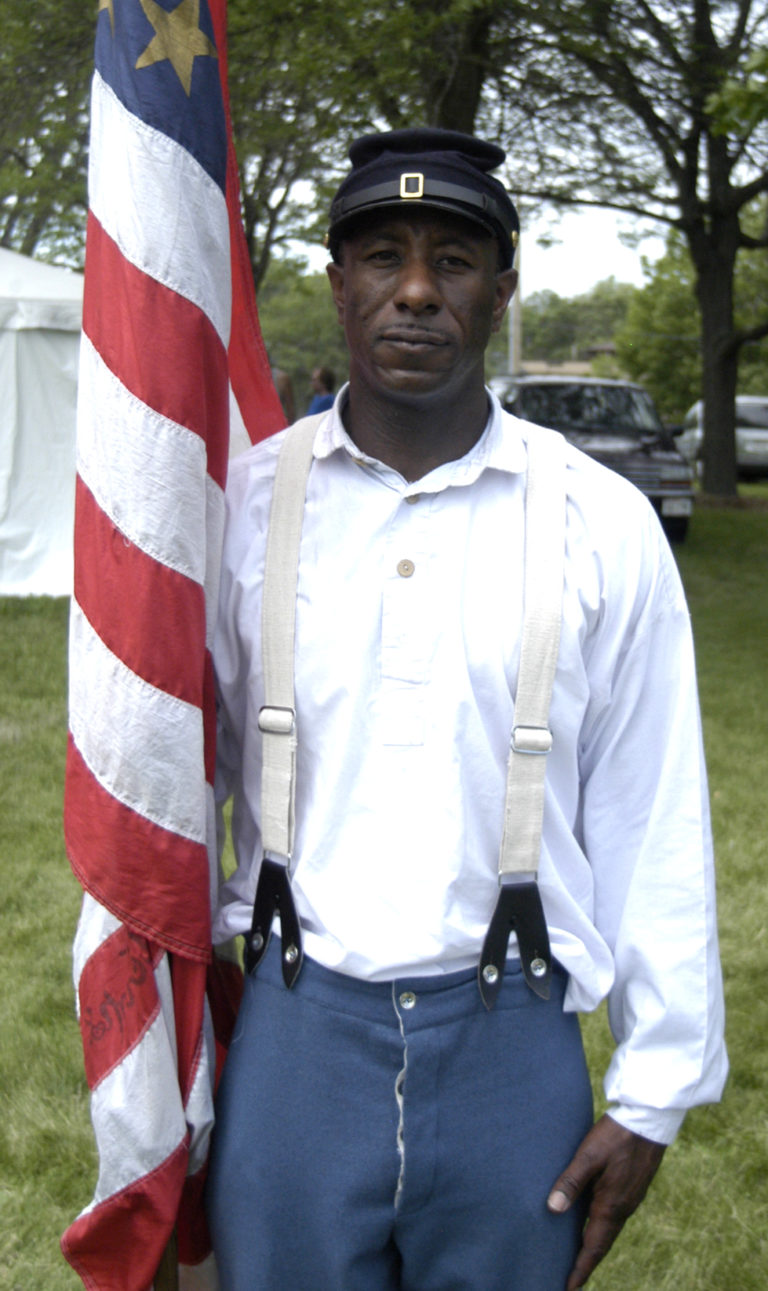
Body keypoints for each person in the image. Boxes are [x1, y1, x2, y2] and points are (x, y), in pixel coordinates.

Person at [206, 128, 727, 1291]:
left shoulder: (600, 519)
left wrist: (655, 1092)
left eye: (453, 258)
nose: (415, 290)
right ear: (336, 282)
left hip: (513, 1048)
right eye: (382, 254)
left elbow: (654, 814)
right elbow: (183, 785)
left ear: (502, 288)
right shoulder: (241, 509)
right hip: (298, 1037)